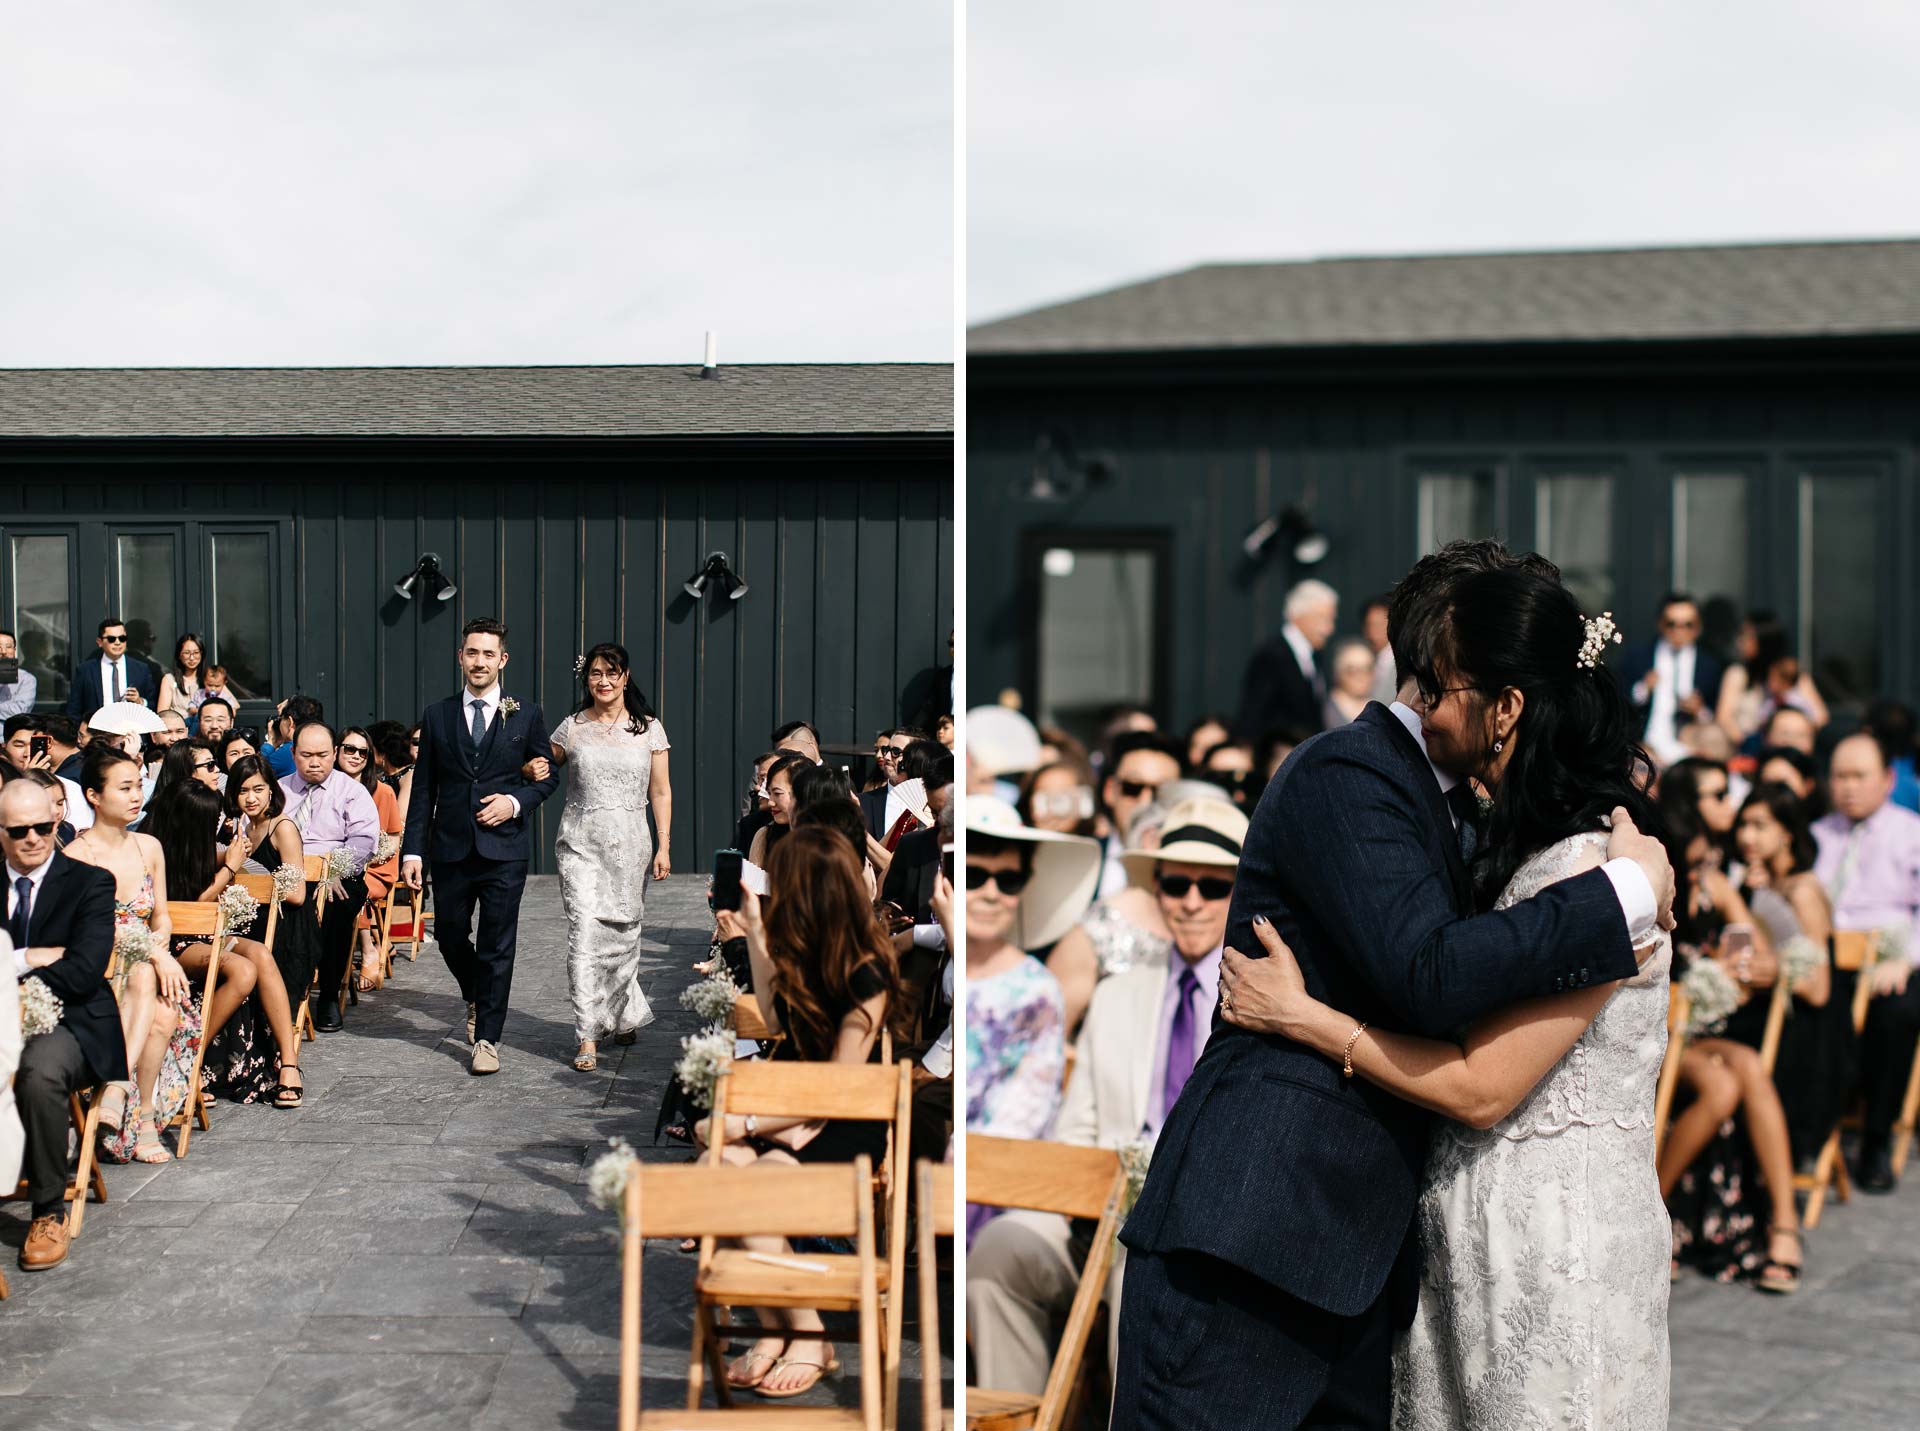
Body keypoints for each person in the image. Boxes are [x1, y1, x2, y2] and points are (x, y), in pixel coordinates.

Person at [1117, 545, 1675, 1431]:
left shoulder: (1508, 826)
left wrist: (1309, 1015)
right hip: (1259, 1231)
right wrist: (1627, 898)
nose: (1426, 684)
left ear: (1506, 701)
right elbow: (1431, 973)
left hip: (1386, 1259)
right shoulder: (1352, 771)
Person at [969, 797, 1245, 1394]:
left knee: (1137, 1276)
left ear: (1241, 893)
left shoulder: (1260, 1007)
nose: (1191, 901)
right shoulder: (1120, 994)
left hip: (1206, 1239)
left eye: (1212, 886)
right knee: (1000, 1250)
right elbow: (1076, 1132)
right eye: (1175, 883)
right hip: (1097, 1217)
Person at [701, 825, 907, 1399]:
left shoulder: (867, 970)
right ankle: (775, 1327)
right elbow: (772, 1015)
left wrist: (740, 1125)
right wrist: (757, 933)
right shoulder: (802, 948)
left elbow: (836, 1090)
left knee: (746, 1182)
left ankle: (810, 1331)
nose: (774, 894)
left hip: (838, 1122)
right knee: (717, 1174)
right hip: (791, 1109)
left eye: (783, 887)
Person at [402, 618, 559, 1074]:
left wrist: (514, 802)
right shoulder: (437, 715)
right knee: (449, 933)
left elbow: (546, 777)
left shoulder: (525, 714)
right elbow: (424, 788)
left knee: (497, 943)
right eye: (473, 653)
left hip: (504, 850)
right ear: (460, 657)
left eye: (489, 654)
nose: (480, 661)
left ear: (502, 660)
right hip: (449, 848)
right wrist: (413, 851)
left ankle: (487, 1038)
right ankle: (476, 992)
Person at [524, 642, 671, 1072]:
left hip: (630, 845)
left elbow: (659, 791)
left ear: (626, 677)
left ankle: (623, 1010)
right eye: (595, 674)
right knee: (585, 933)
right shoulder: (571, 727)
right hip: (580, 844)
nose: (603, 681)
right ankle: (587, 1034)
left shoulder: (650, 730)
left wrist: (663, 844)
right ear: (585, 679)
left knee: (624, 932)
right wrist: (527, 769)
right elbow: (540, 765)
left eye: (612, 673)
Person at [963, 798, 1101, 1229]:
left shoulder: (1037, 991)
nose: (991, 893)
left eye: (1009, 879)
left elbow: (1022, 1118)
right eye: (973, 875)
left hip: (991, 1196)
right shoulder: (919, 964)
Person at [6, 780, 126, 1271]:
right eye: (18, 831)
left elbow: (82, 972)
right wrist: (24, 957)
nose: (33, 838)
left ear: (57, 822)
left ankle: (47, 1211)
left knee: (39, 1071)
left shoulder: (90, 883)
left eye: (42, 826)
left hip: (70, 1023)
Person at [62, 746, 193, 1166]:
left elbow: (163, 917)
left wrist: (158, 950)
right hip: (98, 977)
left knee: (162, 1006)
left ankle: (126, 1100)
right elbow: (82, 936)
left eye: (138, 785)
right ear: (93, 796)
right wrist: (157, 957)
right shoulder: (75, 858)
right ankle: (132, 1104)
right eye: (124, 788)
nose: (137, 795)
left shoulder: (148, 846)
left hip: (146, 971)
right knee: (147, 983)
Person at [1813, 731, 1920, 1191]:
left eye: (1859, 776)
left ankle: (1876, 1139)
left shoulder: (1910, 831)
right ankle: (1811, 1130)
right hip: (1828, 956)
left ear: (1888, 779)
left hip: (1891, 957)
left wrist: (1907, 960)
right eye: (1840, 776)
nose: (1848, 787)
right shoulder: (1818, 832)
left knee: (1897, 1014)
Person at [225, 753, 318, 1106]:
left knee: (259, 960)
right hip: (253, 923)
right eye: (243, 790)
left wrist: (250, 885)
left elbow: (296, 893)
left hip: (289, 928)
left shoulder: (283, 827)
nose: (251, 798)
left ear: (271, 790)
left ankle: (286, 1064)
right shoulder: (242, 829)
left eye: (258, 789)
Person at [281, 720, 379, 1032]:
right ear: (294, 753)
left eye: (322, 755)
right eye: (306, 754)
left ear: (334, 753)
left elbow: (364, 841)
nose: (314, 762)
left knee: (338, 906)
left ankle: (327, 993)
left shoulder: (352, 791)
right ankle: (280, 989)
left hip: (338, 871)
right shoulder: (279, 791)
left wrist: (332, 869)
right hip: (291, 870)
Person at [1619, 592, 1724, 767]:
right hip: (1644, 747)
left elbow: (1715, 714)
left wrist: (1699, 710)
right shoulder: (1637, 657)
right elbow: (1621, 700)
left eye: (1687, 625)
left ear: (1698, 627)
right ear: (1660, 624)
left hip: (1690, 747)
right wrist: (1644, 688)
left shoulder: (1709, 664)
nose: (1679, 631)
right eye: (1672, 624)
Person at [1235, 578, 1337, 741]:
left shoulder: (1315, 657)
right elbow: (1253, 712)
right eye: (1324, 618)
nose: (1330, 629)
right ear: (1299, 615)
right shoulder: (1271, 656)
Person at [1715, 611, 1829, 749]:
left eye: (1747, 636)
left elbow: (1820, 717)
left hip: (1791, 752)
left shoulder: (1791, 673)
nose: (1740, 641)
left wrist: (1793, 734)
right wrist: (1750, 745)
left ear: (1764, 641)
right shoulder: (1738, 674)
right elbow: (1724, 718)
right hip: (1749, 751)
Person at [1093, 733, 1183, 899]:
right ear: (1109, 790)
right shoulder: (1080, 860)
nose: (1146, 801)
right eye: (1132, 787)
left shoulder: (1192, 867)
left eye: (1161, 792)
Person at [64, 617, 159, 719]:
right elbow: (73, 710)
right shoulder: (86, 670)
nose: (117, 642)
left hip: (131, 731)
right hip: (97, 732)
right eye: (111, 639)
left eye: (122, 638)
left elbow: (154, 705)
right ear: (99, 642)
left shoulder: (141, 669)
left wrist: (140, 701)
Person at [746, 754, 808, 868]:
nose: (771, 802)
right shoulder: (764, 837)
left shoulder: (829, 840)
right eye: (769, 793)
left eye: (777, 793)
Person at [1324, 635, 1377, 726]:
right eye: (1352, 671)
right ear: (1338, 673)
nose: (1361, 676)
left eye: (1368, 669)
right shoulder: (1325, 711)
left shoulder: (1378, 707)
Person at [157, 632, 207, 716]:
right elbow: (162, 714)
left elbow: (233, 704)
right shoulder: (169, 679)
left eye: (196, 653)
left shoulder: (209, 678)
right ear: (179, 655)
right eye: (187, 653)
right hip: (179, 727)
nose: (192, 658)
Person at [0, 629, 38, 718]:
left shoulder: (27, 679)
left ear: (14, 650)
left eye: (8, 647)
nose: (4, 651)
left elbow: (19, 711)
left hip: (7, 730)